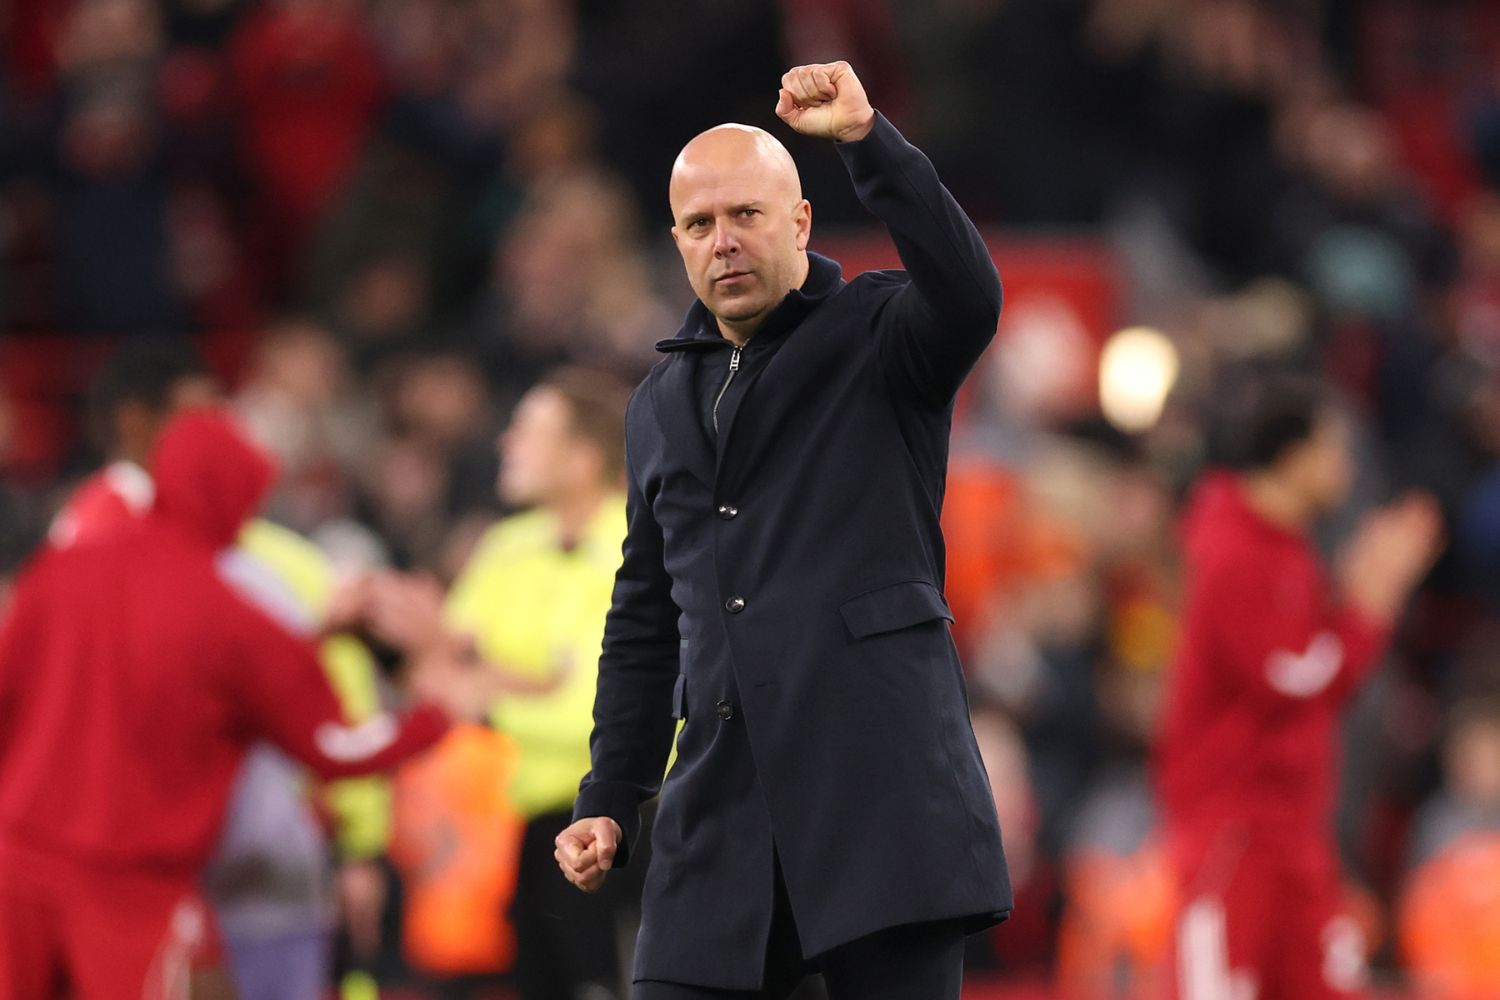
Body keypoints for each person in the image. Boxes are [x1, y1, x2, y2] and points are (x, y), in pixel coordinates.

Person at [554, 61, 1012, 1000]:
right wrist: (610, 793)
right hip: (721, 822)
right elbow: (645, 617)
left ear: (800, 222)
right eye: (698, 224)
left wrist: (867, 140)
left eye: (746, 215)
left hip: (880, 805)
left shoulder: (881, 334)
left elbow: (970, 295)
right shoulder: (656, 404)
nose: (723, 242)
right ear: (676, 244)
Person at [0, 408, 471, 1000]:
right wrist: (435, 712)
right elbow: (334, 747)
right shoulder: (233, 618)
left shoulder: (63, 569)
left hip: (17, 863)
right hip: (128, 891)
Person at [1155, 377, 1444, 1000]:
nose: (1346, 467)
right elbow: (1289, 680)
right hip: (1233, 831)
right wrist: (1368, 610)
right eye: (1334, 449)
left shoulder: (1289, 551)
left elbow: (1309, 673)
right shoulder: (1232, 552)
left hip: (1291, 832)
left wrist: (1357, 608)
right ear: (1293, 456)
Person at [359, 366, 640, 1000]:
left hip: (627, 827)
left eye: (528, 431)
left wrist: (484, 687)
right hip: (525, 826)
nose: (505, 443)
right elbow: (437, 670)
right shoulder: (507, 547)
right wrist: (529, 683)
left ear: (582, 456)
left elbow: (601, 715)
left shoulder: (636, 547)